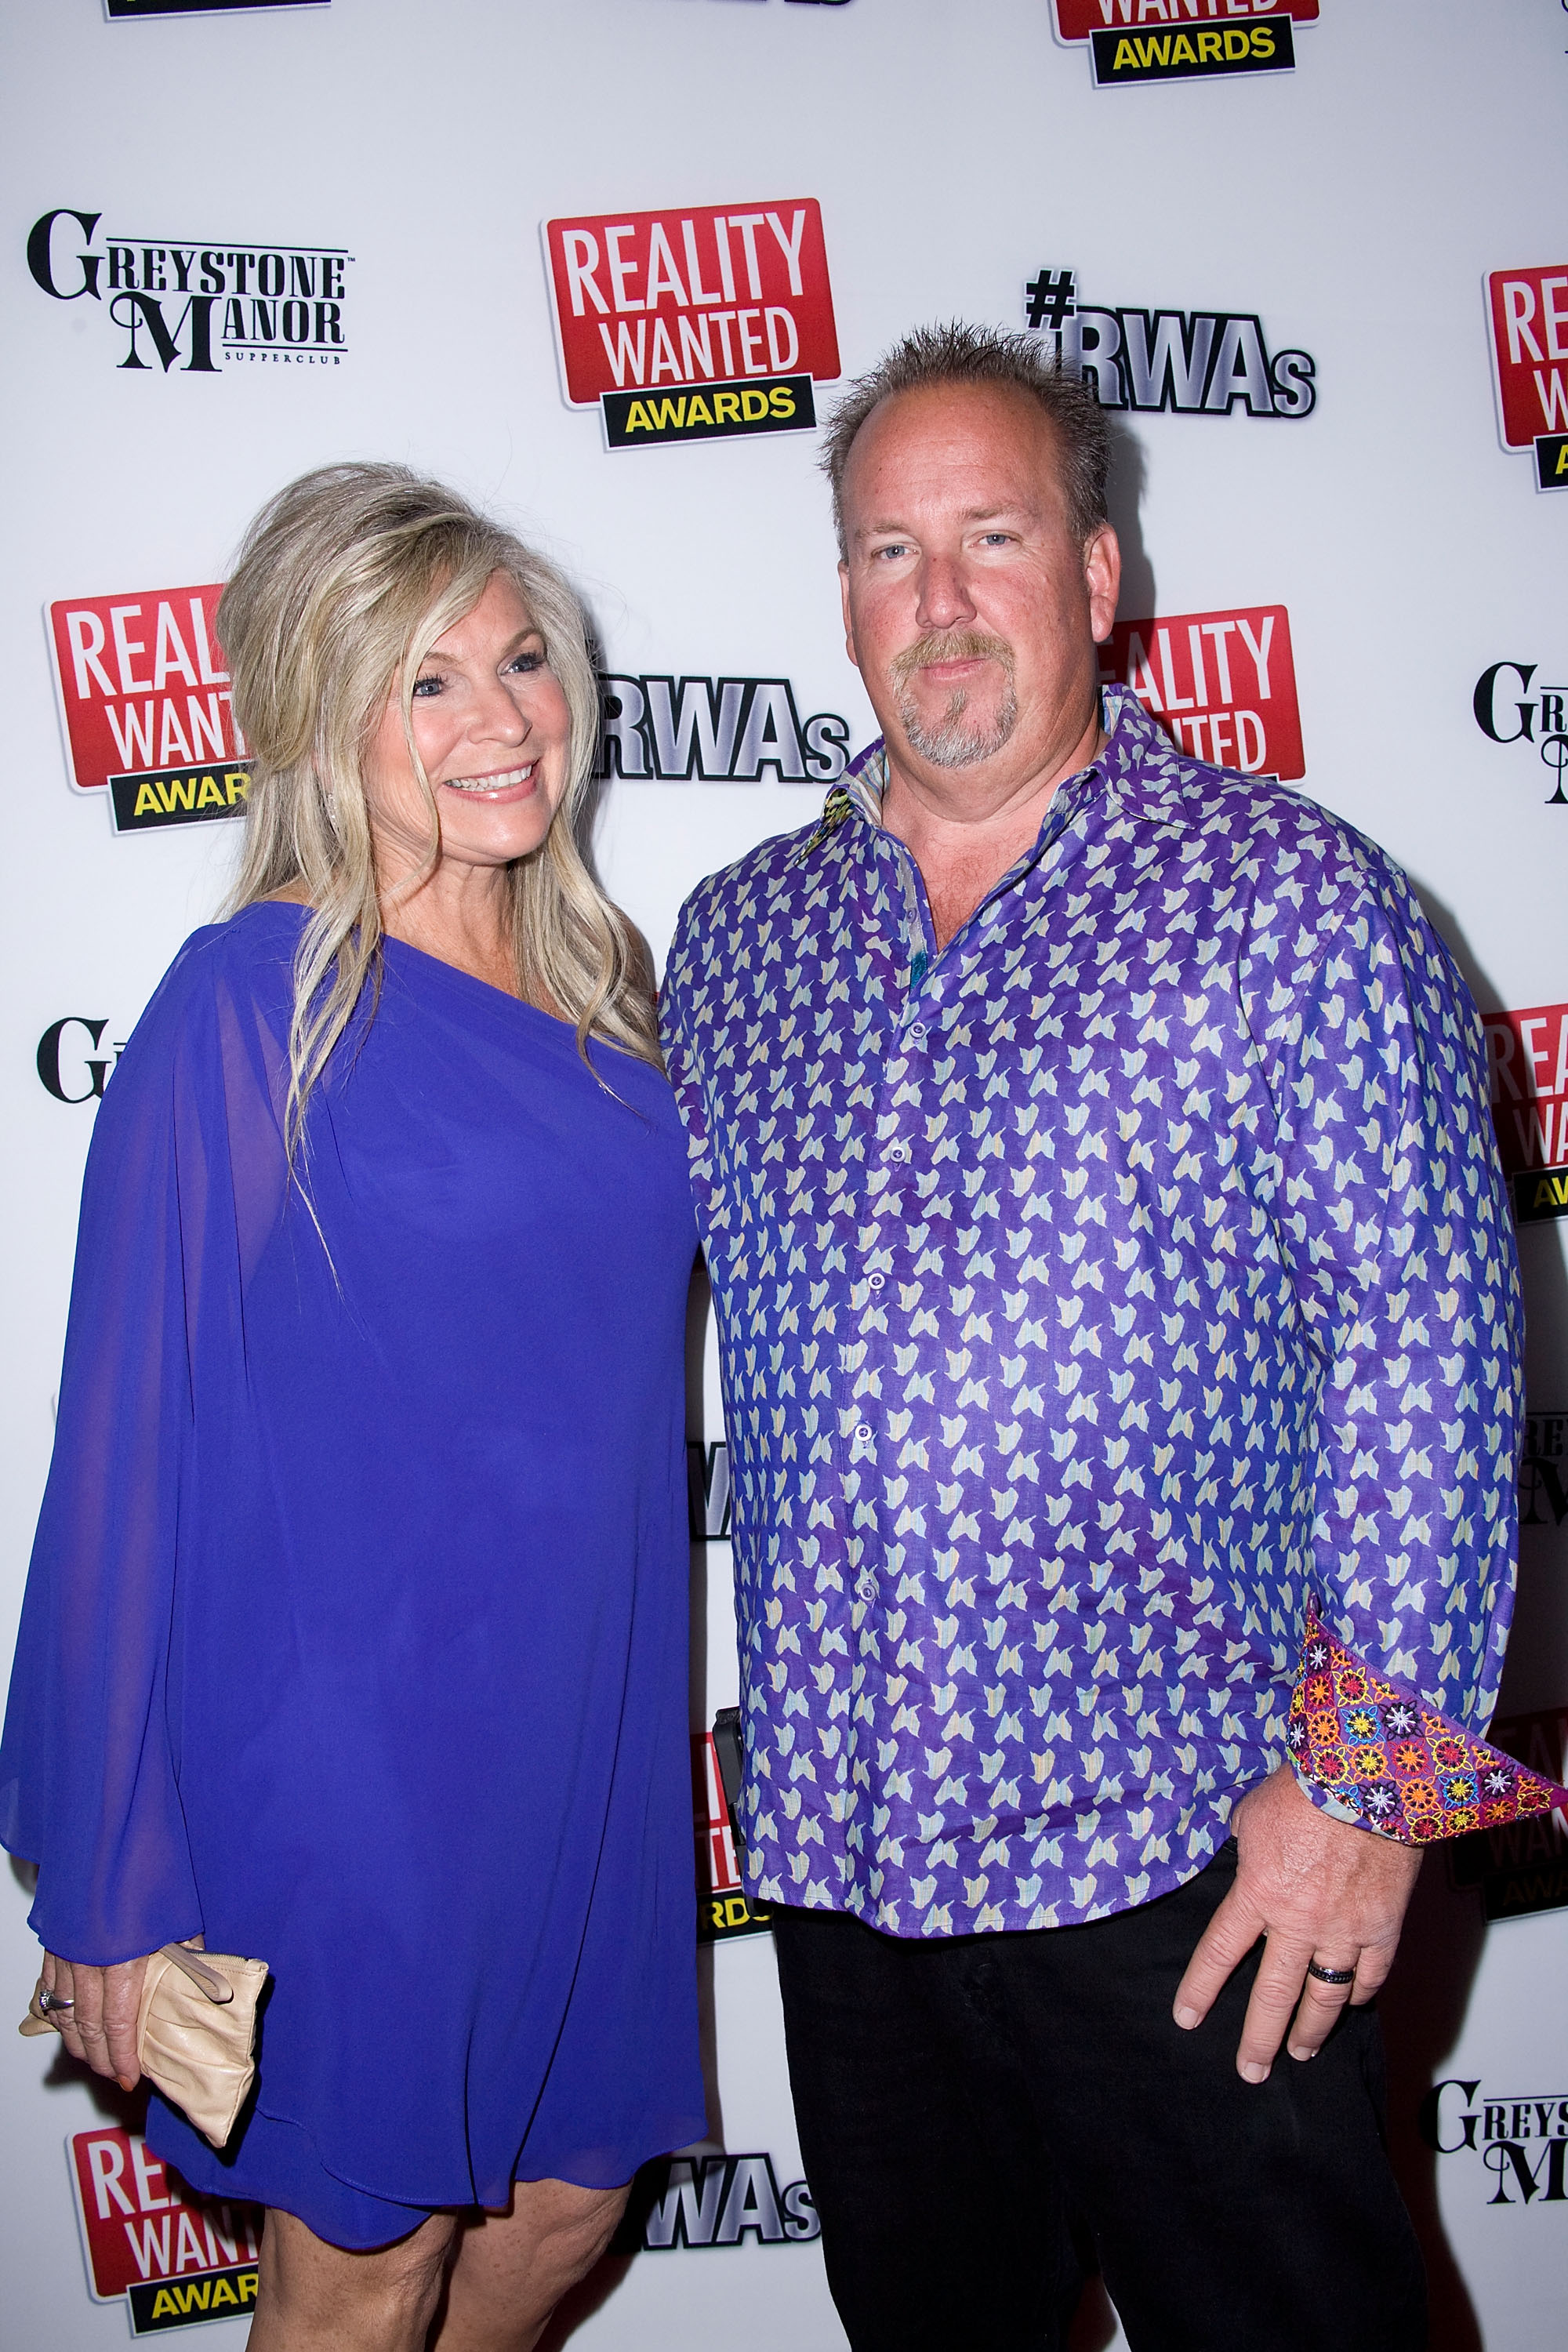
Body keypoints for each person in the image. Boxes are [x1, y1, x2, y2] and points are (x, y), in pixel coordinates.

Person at [659, 325, 1528, 2350]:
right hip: (854, 1878)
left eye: (993, 536)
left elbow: (1431, 1353)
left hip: (1197, 1867)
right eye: (891, 549)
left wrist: (1369, 1798)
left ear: (1099, 572)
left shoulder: (1296, 905)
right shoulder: (735, 942)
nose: (940, 600)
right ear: (844, 593)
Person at [1, 464, 705, 2351]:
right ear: (326, 720)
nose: (505, 718)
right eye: (428, 682)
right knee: (367, 2265)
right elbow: (123, 1446)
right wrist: (109, 1872)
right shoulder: (255, 1004)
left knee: (564, 2212)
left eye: (524, 659)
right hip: (351, 1757)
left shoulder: (604, 988)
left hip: (583, 1732)